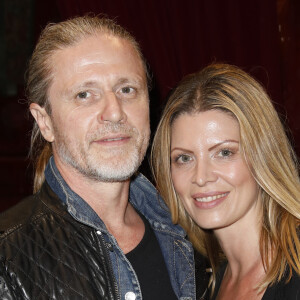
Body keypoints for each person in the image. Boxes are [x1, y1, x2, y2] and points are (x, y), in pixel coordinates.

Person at [0, 16, 197, 300]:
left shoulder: (191, 229)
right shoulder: (8, 260)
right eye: (84, 94)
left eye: (127, 90)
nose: (115, 112)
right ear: (45, 122)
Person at [151, 63, 300, 300]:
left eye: (224, 153)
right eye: (184, 158)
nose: (201, 177)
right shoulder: (202, 285)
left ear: (263, 155)